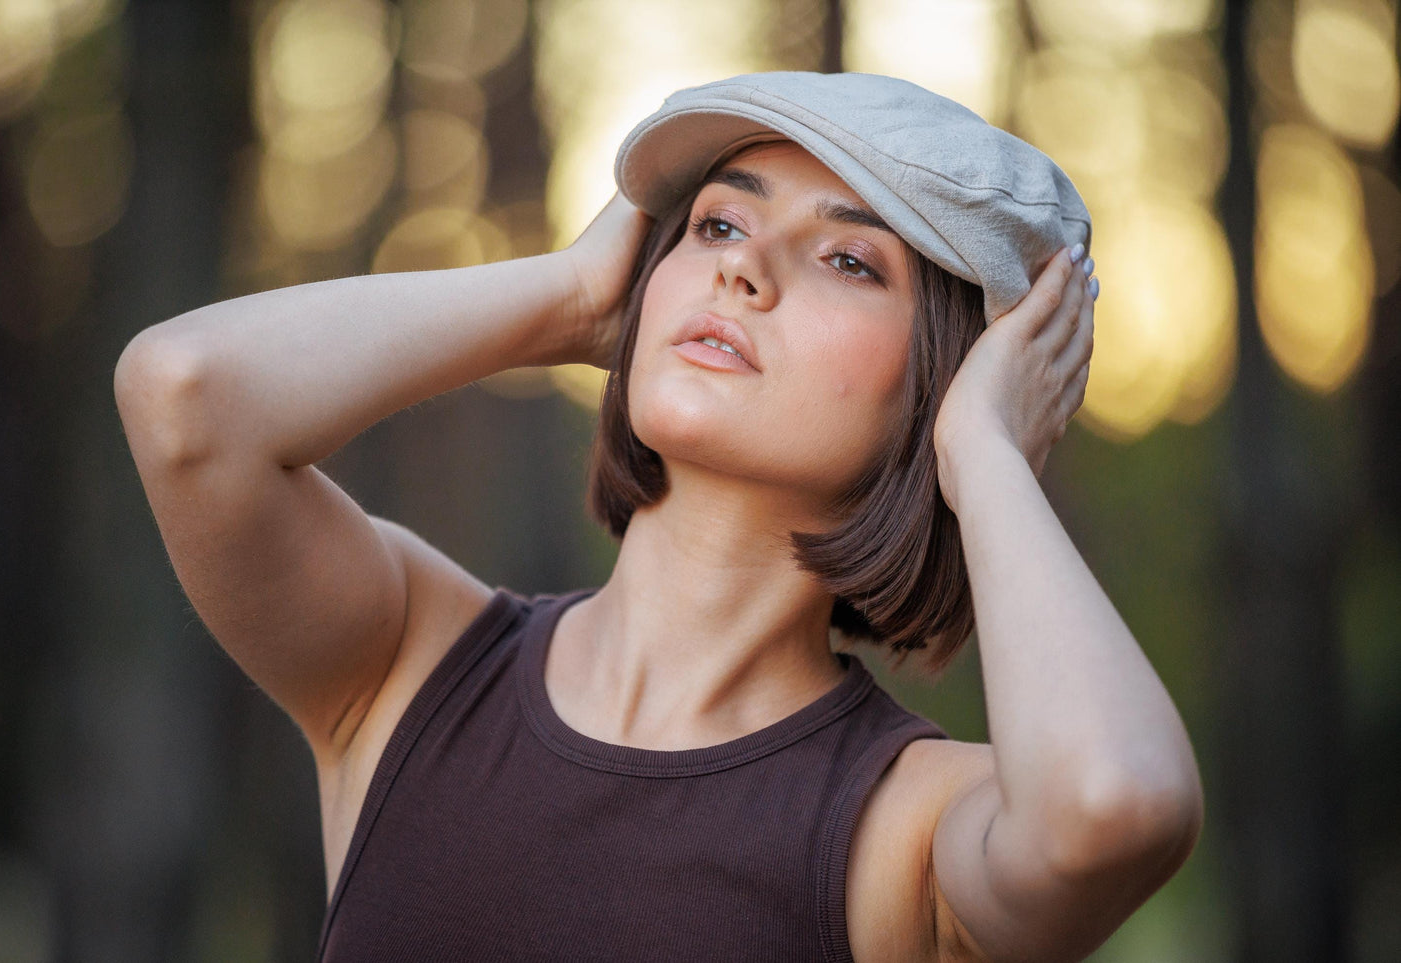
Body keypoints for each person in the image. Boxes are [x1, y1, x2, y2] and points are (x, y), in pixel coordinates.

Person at [115, 72, 1202, 962]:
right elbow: (182, 395)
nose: (741, 263)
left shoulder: (904, 828)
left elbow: (1114, 805)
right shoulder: (408, 665)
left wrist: (984, 454)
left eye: (846, 259)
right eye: (717, 220)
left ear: (943, 384)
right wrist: (574, 297)